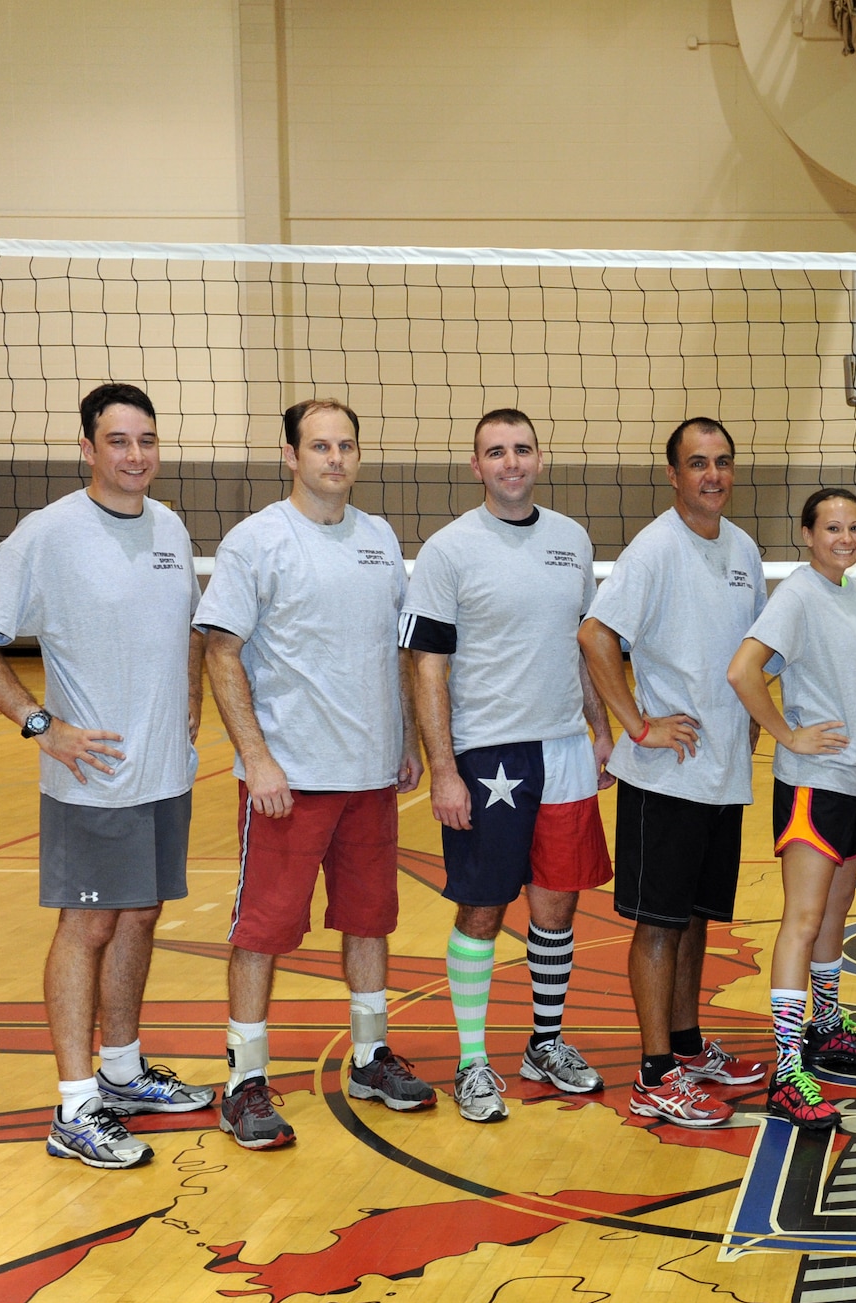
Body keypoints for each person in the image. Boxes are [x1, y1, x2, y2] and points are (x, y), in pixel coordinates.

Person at [0, 382, 215, 1169]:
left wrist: (190, 694)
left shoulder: (169, 526)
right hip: (95, 778)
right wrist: (41, 724)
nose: (136, 455)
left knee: (141, 915)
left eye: (147, 440)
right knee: (88, 925)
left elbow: (189, 623)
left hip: (163, 772)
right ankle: (73, 1106)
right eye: (119, 441)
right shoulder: (50, 532)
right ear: (88, 449)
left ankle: (123, 1072)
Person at [195, 398, 435, 1151]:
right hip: (288, 781)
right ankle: (245, 1081)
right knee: (261, 932)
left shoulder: (379, 538)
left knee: (369, 920)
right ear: (291, 456)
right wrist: (259, 758)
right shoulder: (256, 540)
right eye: (320, 446)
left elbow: (396, 649)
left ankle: (369, 1057)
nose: (335, 458)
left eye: (346, 446)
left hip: (370, 775)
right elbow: (221, 652)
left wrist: (405, 737)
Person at [401, 409, 616, 1123]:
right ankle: (472, 1062)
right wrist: (444, 769)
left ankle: (543, 1044)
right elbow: (427, 667)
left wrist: (601, 730)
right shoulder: (448, 550)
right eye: (496, 452)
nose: (511, 462)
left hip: (565, 749)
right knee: (484, 907)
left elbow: (584, 644)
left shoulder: (571, 540)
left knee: (557, 906)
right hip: (489, 754)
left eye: (522, 449)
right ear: (476, 466)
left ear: (540, 458)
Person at [582, 417, 769, 1129]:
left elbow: (753, 648)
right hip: (665, 774)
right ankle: (655, 1073)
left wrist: (754, 717)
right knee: (659, 925)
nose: (712, 475)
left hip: (720, 771)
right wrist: (636, 724)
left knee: (694, 919)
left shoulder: (742, 547)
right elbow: (595, 634)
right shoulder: (656, 548)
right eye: (698, 463)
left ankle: (687, 1047)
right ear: (674, 474)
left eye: (722, 461)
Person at [728, 488, 856, 1133]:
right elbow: (744, 671)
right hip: (813, 784)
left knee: (834, 914)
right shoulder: (796, 595)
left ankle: (826, 1026)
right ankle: (788, 1070)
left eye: (854, 527)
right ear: (807, 534)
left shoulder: (854, 593)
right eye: (832, 528)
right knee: (801, 921)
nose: (845, 538)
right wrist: (786, 734)